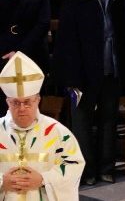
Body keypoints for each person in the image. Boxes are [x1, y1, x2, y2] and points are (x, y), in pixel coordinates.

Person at [56, 0, 125, 185]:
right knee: (82, 122)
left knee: (109, 119)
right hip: (82, 73)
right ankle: (86, 171)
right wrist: (71, 79)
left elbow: (123, 35)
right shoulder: (73, 0)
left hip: (111, 68)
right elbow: (67, 43)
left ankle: (107, 167)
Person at [0, 52, 84, 198]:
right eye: (15, 102)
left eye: (27, 102)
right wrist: (2, 181)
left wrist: (44, 179)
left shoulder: (57, 132)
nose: (21, 108)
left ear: (37, 100)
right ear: (8, 102)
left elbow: (73, 165)